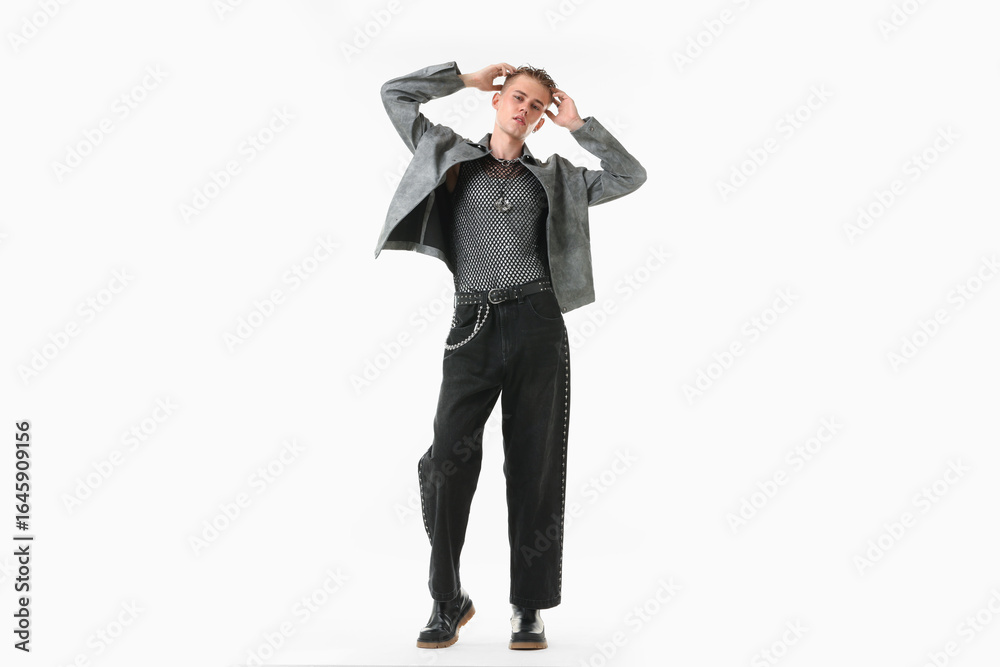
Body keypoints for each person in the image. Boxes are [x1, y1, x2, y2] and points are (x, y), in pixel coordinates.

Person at [376, 60, 646, 650]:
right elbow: (395, 94)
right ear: (498, 101)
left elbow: (630, 175)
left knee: (534, 466)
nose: (524, 109)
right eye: (517, 98)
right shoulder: (448, 155)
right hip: (471, 325)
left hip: (538, 325)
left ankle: (529, 606)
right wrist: (462, 79)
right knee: (447, 462)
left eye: (536, 105)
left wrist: (581, 126)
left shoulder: (557, 176)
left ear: (541, 119)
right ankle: (447, 597)